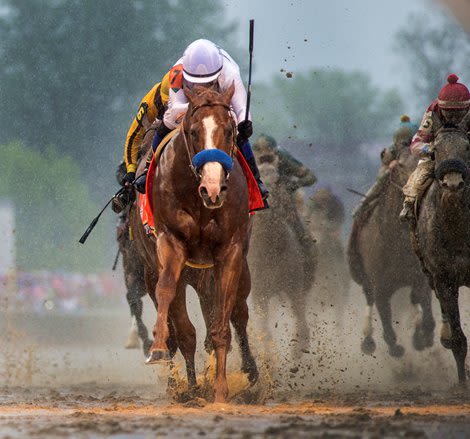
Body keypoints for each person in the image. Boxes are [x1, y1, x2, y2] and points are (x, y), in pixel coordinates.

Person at [121, 38, 268, 204]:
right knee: (166, 124)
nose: (201, 88)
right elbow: (176, 109)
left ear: (217, 76)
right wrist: (131, 170)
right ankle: (147, 172)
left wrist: (245, 123)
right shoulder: (175, 74)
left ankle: (256, 180)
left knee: (236, 130)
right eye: (195, 83)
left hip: (218, 102)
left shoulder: (230, 72)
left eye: (207, 83)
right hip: (185, 107)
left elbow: (241, 107)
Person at [399, 74, 470, 221]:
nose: (454, 117)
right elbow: (416, 143)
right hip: (438, 155)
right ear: (441, 107)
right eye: (449, 112)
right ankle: (409, 205)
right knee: (420, 174)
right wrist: (429, 150)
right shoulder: (433, 111)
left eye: (459, 113)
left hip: (465, 156)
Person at [352, 115, 418, 220]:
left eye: (407, 141)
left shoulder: (418, 148)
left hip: (415, 174)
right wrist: (392, 164)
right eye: (403, 141)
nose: (405, 144)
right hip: (392, 173)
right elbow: (385, 161)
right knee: (381, 181)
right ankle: (363, 203)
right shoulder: (392, 149)